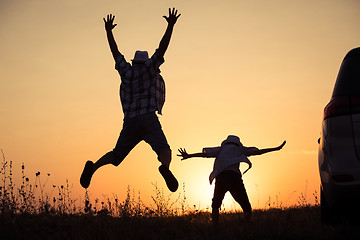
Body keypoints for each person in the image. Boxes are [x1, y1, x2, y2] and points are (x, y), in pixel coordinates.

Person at [80, 8, 181, 192]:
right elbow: (162, 49)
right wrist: (170, 26)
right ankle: (165, 168)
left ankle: (93, 168)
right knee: (164, 150)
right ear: (145, 61)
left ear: (134, 62)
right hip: (148, 120)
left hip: (130, 122)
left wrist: (108, 31)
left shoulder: (126, 72)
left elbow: (115, 52)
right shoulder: (150, 69)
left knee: (116, 155)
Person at [177, 135, 286, 225]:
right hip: (234, 178)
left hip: (221, 178)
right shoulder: (240, 149)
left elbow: (204, 154)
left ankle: (215, 227)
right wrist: (276, 148)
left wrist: (189, 155)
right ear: (237, 143)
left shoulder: (220, 149)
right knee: (246, 206)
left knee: (215, 205)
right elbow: (258, 152)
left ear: (225, 143)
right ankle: (247, 226)